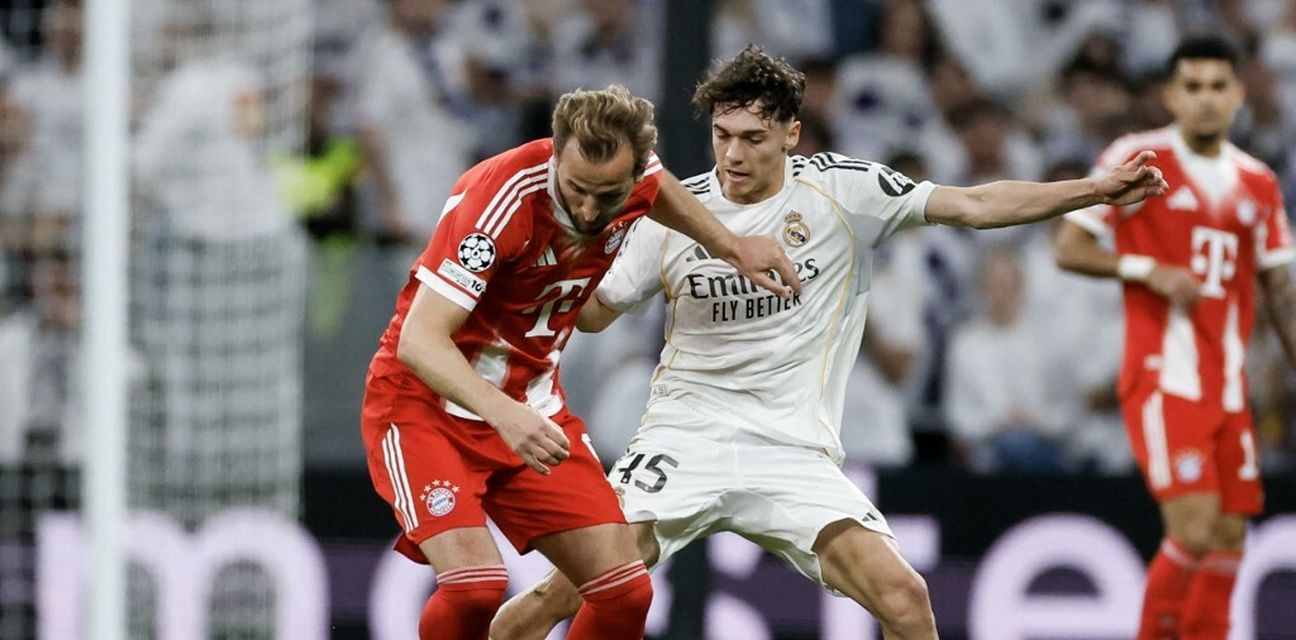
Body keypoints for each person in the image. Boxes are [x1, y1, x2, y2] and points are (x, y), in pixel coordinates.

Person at [491, 46, 1166, 640]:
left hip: (792, 451)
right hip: (685, 438)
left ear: (792, 133)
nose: (733, 154)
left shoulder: (845, 191)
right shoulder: (676, 214)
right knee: (557, 596)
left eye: (753, 138)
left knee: (905, 599)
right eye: (722, 135)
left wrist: (1094, 190)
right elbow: (594, 316)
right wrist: (551, 263)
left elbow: (976, 205)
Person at [359, 84, 799, 640]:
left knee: (626, 594)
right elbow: (419, 341)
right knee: (474, 587)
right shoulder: (501, 203)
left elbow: (659, 185)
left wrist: (732, 246)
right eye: (577, 189)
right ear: (555, 155)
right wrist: (504, 414)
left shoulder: (638, 177)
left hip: (530, 406)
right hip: (425, 407)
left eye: (608, 194)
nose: (590, 210)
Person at [1054, 36, 1296, 640]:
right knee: (1193, 527)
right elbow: (1070, 247)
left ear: (1238, 95)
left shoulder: (1258, 182)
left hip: (1228, 384)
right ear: (1170, 95)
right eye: (1193, 87)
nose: (1206, 99)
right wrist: (1147, 269)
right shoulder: (1139, 157)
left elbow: (1280, 291)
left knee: (1229, 536)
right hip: (1165, 376)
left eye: (1218, 86)